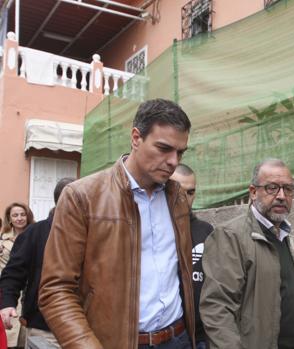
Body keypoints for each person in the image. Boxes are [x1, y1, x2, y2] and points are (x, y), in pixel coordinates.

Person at [38, 98, 196, 349]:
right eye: (164, 148)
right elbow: (56, 290)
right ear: (136, 138)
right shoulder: (82, 197)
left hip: (179, 337)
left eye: (180, 152)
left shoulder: (177, 196)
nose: (174, 161)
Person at [201, 158, 294, 349]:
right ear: (253, 192)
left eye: (288, 189)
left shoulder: (286, 237)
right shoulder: (231, 236)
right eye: (272, 188)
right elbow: (217, 307)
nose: (282, 196)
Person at [0, 178, 75, 348]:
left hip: (85, 329)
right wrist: (7, 303)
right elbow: (13, 273)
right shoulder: (34, 233)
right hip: (44, 330)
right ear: (64, 200)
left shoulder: (93, 231)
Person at [170, 164, 214, 349]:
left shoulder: (207, 231)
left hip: (202, 336)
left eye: (191, 192)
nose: (185, 199)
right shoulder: (156, 232)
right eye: (178, 191)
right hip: (168, 336)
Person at [1, 202, 34, 348]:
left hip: (29, 290)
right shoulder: (2, 240)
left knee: (26, 336)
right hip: (8, 292)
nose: (19, 218)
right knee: (9, 334)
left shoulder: (36, 235)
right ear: (9, 218)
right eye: (15, 215)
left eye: (22, 214)